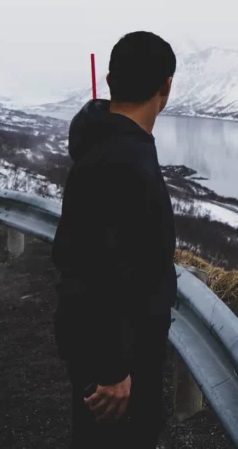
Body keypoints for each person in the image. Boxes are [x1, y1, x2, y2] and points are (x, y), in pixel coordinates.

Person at [53, 31, 178, 448]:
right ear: (166, 86)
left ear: (110, 80)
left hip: (113, 353)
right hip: (118, 369)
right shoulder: (124, 160)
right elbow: (94, 268)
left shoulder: (105, 144)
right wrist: (112, 369)